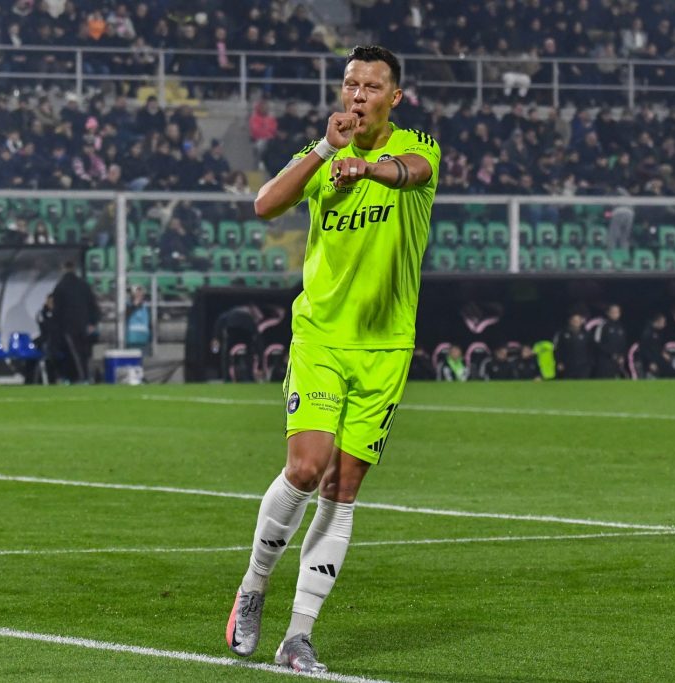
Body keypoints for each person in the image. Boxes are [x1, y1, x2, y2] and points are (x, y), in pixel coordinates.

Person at [225, 45, 441, 673]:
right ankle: (254, 585)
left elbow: (411, 173)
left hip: (386, 347)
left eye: (371, 87)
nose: (358, 96)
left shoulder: (419, 145)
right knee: (306, 467)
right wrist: (326, 151)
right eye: (351, 85)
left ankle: (299, 636)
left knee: (342, 490)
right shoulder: (321, 153)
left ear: (394, 98)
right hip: (320, 337)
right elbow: (265, 205)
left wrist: (365, 169)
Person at [51, 261, 100, 383]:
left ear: (63, 269)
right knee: (83, 353)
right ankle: (82, 377)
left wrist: (56, 328)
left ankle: (79, 377)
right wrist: (92, 323)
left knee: (72, 353)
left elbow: (57, 311)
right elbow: (93, 306)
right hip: (84, 327)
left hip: (67, 327)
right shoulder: (84, 285)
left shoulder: (61, 286)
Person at [554, 312, 594, 379]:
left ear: (581, 321)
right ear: (570, 321)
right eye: (574, 320)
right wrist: (559, 362)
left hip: (583, 365)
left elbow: (591, 349)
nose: (576, 322)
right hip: (567, 365)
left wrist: (590, 363)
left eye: (578, 320)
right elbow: (557, 349)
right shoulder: (562, 334)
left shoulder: (587, 334)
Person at [594, 304, 627, 378]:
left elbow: (623, 344)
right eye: (613, 312)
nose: (615, 314)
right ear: (608, 313)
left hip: (617, 361)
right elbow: (596, 342)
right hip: (604, 360)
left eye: (617, 312)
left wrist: (622, 355)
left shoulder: (621, 327)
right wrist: (611, 354)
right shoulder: (602, 325)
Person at [125, 285, 151, 351]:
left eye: (140, 294)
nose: (138, 295)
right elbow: (126, 315)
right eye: (136, 294)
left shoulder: (146, 306)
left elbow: (150, 323)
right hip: (132, 337)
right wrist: (134, 305)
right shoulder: (128, 305)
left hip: (144, 337)